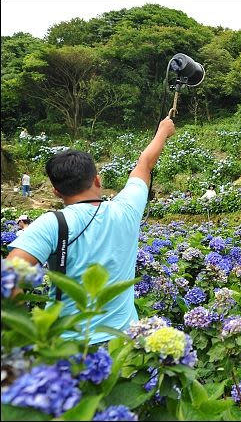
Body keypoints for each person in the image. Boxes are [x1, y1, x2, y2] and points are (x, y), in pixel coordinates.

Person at [7, 116, 176, 344]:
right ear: (97, 180)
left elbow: (8, 278)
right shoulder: (126, 209)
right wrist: (163, 131)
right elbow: (144, 164)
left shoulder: (51, 223)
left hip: (67, 349)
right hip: (122, 344)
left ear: (57, 192)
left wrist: (24, 334)